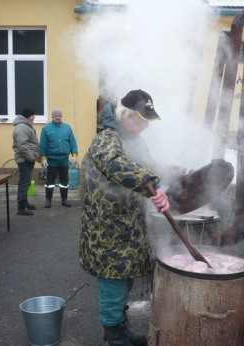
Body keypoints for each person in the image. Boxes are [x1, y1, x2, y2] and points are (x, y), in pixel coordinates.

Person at [79, 89, 170, 346]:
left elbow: (152, 168)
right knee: (113, 286)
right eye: (139, 120)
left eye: (146, 121)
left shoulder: (136, 141)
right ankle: (114, 336)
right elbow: (115, 165)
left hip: (128, 229)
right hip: (106, 231)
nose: (143, 126)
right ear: (125, 115)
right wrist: (152, 183)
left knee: (125, 282)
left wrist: (180, 173)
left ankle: (120, 327)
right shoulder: (106, 139)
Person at [40, 108, 78, 208]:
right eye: (56, 116)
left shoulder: (67, 128)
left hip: (64, 160)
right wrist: (43, 158)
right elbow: (43, 145)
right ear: (52, 117)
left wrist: (74, 155)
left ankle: (64, 200)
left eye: (59, 116)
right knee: (50, 182)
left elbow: (72, 143)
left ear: (61, 117)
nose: (58, 117)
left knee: (64, 181)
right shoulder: (46, 129)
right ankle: (48, 200)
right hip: (52, 160)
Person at [12, 107, 40, 216]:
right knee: (24, 183)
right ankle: (21, 208)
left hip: (26, 159)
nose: (34, 117)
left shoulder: (25, 126)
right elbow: (22, 145)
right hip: (24, 159)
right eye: (33, 115)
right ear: (28, 116)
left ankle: (25, 203)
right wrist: (31, 157)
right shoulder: (22, 128)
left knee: (26, 182)